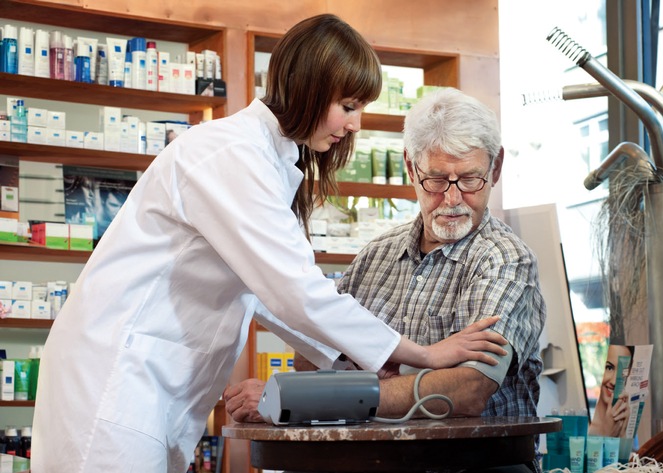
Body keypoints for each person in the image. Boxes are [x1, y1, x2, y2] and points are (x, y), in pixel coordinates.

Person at [30, 15, 508, 473]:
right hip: (114, 375)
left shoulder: (268, 163)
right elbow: (295, 292)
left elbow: (268, 294)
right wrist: (422, 355)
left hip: (148, 383)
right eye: (348, 106)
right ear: (307, 90)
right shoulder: (231, 156)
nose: (356, 124)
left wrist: (355, 357)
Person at [226, 87, 547, 473]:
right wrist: (403, 373)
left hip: (473, 465)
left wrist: (347, 388)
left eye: (470, 180)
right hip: (372, 461)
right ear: (411, 168)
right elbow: (311, 358)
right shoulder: (375, 256)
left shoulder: (504, 260)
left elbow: (467, 389)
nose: (452, 199)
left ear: (494, 170)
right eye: (436, 180)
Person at [589, 344, 635, 437]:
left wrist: (623, 433)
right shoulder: (584, 427)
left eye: (623, 371)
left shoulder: (624, 421)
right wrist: (607, 435)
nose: (614, 382)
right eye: (609, 368)